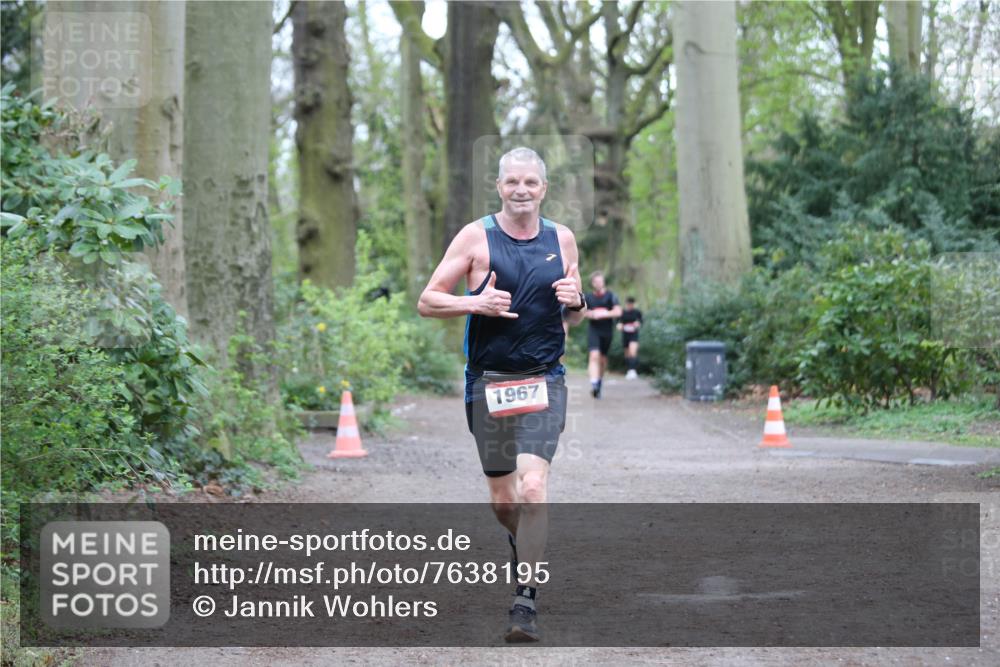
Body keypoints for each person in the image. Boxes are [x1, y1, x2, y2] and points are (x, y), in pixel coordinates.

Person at [417, 146, 586, 642]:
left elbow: (574, 310)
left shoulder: (562, 238)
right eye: (512, 181)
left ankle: (525, 600)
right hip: (488, 382)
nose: (521, 190)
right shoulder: (476, 236)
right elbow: (427, 300)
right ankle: (522, 545)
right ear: (499, 187)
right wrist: (476, 303)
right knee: (504, 499)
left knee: (533, 488)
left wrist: (577, 302)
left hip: (544, 379)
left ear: (544, 189)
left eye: (530, 182)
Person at [584, 271, 622, 398]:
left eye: (601, 281)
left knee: (602, 360)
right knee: (594, 355)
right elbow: (582, 312)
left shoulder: (611, 296)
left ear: (603, 282)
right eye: (596, 282)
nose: (599, 283)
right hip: (594, 330)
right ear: (592, 283)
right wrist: (591, 314)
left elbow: (618, 312)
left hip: (607, 331)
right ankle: (594, 384)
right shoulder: (588, 297)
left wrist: (604, 314)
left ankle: (599, 383)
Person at [617, 297, 643, 379]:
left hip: (634, 335)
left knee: (633, 352)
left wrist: (638, 324)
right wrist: (619, 325)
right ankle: (629, 370)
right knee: (627, 354)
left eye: (631, 304)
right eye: (628, 304)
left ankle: (633, 370)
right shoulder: (622, 312)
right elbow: (618, 322)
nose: (630, 305)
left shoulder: (637, 312)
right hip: (625, 335)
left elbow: (641, 321)